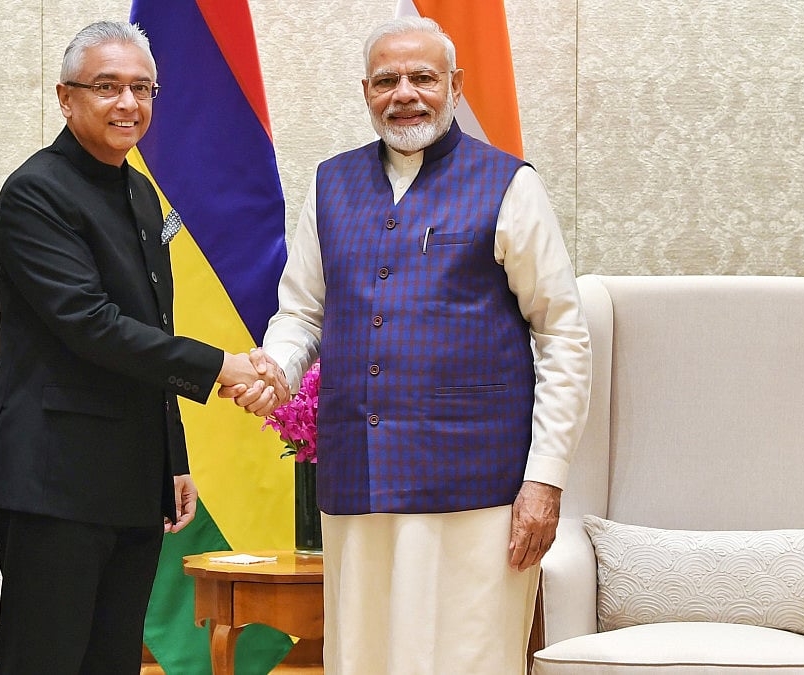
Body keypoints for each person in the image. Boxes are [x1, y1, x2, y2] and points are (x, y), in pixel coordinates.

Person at [227, 16, 591, 674]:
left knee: (468, 658)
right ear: (365, 90)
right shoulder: (330, 184)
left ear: (456, 85)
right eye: (388, 79)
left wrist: (545, 480)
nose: (406, 93)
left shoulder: (510, 184)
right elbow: (301, 312)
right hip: (358, 480)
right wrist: (277, 369)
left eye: (424, 77)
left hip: (478, 489)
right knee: (362, 657)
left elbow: (563, 334)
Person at [0, 21, 280, 674]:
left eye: (142, 88)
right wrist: (221, 365)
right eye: (107, 87)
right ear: (65, 96)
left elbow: (153, 327)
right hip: (52, 478)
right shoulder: (36, 193)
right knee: (47, 661)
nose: (128, 104)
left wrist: (173, 457)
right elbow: (93, 324)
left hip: (130, 478)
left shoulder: (139, 192)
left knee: (113, 661)